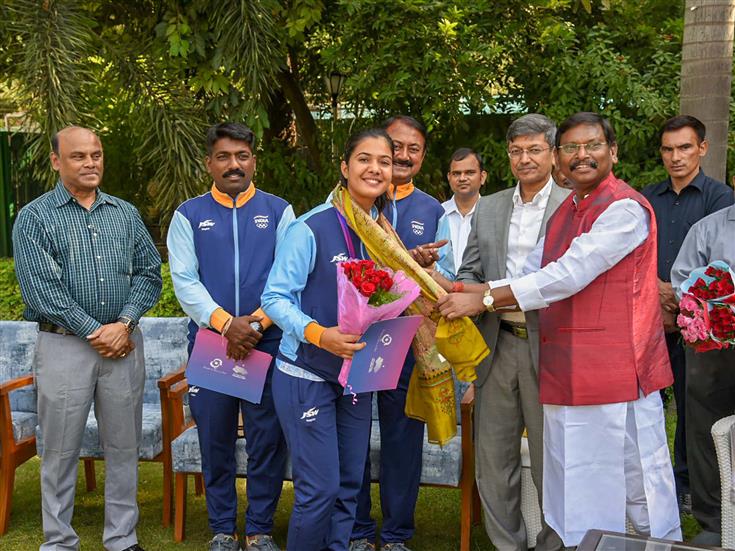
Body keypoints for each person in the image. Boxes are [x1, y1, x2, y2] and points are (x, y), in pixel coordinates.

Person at [438, 112, 681, 546]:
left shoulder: (624, 209)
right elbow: (535, 270)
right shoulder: (568, 210)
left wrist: (485, 298)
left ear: (613, 151)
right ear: (561, 156)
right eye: (572, 147)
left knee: (636, 483)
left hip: (619, 372)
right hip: (568, 367)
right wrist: (457, 287)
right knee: (573, 480)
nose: (581, 155)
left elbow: (567, 274)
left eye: (592, 146)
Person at [12, 126, 162, 551]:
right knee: (59, 450)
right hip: (64, 347)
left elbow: (150, 274)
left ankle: (121, 538)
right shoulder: (35, 217)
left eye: (96, 154)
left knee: (123, 445)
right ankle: (59, 541)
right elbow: (42, 290)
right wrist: (97, 332)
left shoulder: (125, 213)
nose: (91, 162)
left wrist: (125, 322)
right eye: (78, 156)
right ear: (57, 161)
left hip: (123, 344)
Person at [434, 114, 567, 551]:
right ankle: (507, 544)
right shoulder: (489, 207)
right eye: (516, 151)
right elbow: (470, 269)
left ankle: (552, 544)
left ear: (551, 153)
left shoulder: (572, 205)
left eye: (533, 150)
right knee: (493, 459)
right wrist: (448, 287)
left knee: (554, 459)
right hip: (496, 345)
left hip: (551, 348)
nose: (524, 158)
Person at [261, 128, 393, 551]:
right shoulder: (311, 227)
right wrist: (320, 335)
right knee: (319, 490)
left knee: (349, 486)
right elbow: (274, 299)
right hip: (306, 374)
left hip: (356, 375)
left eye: (384, 162)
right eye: (365, 159)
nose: (375, 168)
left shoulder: (383, 234)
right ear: (345, 167)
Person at [167, 122, 294, 551]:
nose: (233, 164)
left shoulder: (280, 211)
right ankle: (222, 529)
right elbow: (185, 281)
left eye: (241, 156)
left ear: (253, 160)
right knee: (215, 438)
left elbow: (287, 277)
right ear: (209, 163)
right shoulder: (189, 214)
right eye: (223, 156)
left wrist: (255, 323)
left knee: (266, 440)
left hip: (267, 342)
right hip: (212, 343)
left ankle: (259, 530)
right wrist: (226, 324)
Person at [350, 115, 446, 551]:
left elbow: (448, 277)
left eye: (414, 149)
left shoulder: (433, 209)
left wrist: (427, 266)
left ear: (423, 156)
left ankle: (395, 535)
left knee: (402, 440)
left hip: (409, 342)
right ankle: (354, 530)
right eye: (396, 147)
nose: (403, 156)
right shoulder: (350, 204)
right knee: (350, 436)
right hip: (356, 339)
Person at [642, 115, 734, 514]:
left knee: (696, 408)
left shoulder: (720, 198)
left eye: (684, 147)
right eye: (668, 149)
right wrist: (658, 294)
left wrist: (677, 297)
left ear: (702, 149)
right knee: (656, 407)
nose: (675, 156)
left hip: (705, 330)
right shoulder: (646, 198)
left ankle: (689, 485)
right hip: (651, 318)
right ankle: (658, 487)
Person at [671, 203, 735, 546]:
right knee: (707, 431)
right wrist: (716, 309)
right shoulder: (707, 229)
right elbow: (683, 282)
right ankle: (714, 521)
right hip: (714, 350)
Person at [441, 148, 486, 272]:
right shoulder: (438, 213)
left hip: (480, 288)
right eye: (456, 173)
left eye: (470, 173)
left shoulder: (493, 215)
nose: (462, 178)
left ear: (482, 177)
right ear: (449, 177)